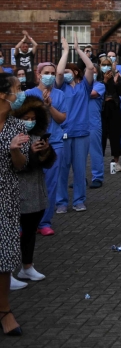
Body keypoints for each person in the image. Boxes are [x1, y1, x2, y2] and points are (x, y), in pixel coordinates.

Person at [0, 73, 30, 336]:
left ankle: (5, 311)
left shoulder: (16, 127)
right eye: (18, 89)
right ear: (3, 94)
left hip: (5, 197)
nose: (21, 93)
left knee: (5, 258)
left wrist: (14, 150)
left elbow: (21, 166)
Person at [13, 97, 55, 287]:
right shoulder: (11, 137)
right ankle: (8, 271)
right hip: (16, 190)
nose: (29, 121)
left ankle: (27, 266)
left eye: (32, 118)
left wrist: (46, 151)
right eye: (25, 117)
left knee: (30, 230)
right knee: (12, 233)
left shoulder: (37, 135)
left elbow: (47, 163)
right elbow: (17, 165)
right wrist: (29, 152)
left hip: (36, 191)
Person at [55, 36, 95, 212]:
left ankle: (79, 200)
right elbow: (57, 72)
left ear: (76, 72)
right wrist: (65, 51)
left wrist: (78, 50)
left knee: (79, 170)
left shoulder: (84, 87)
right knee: (62, 170)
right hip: (63, 133)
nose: (65, 73)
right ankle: (61, 202)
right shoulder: (60, 86)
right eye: (65, 72)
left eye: (69, 71)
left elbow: (91, 67)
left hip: (81, 133)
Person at [98, 57, 121, 177]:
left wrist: (116, 83)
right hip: (101, 110)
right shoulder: (97, 77)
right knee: (101, 136)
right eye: (103, 64)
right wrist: (104, 81)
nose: (106, 67)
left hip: (114, 108)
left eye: (108, 64)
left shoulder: (116, 76)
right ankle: (99, 163)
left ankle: (116, 162)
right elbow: (96, 92)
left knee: (115, 135)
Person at [86, 66, 106, 189]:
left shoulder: (100, 86)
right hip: (79, 124)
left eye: (94, 72)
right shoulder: (80, 86)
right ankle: (80, 178)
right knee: (79, 154)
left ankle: (97, 177)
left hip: (93, 123)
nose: (92, 74)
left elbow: (92, 94)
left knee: (95, 151)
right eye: (89, 72)